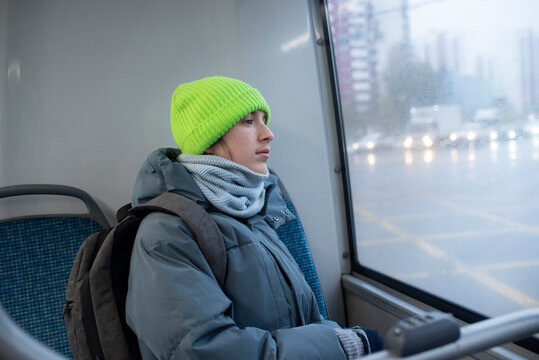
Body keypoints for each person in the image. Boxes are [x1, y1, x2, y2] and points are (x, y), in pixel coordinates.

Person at [125, 76, 383, 359]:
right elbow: (202, 349)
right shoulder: (165, 233)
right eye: (249, 121)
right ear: (209, 140)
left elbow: (306, 319)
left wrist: (340, 338)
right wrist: (339, 346)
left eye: (264, 119)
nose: (268, 133)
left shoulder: (254, 213)